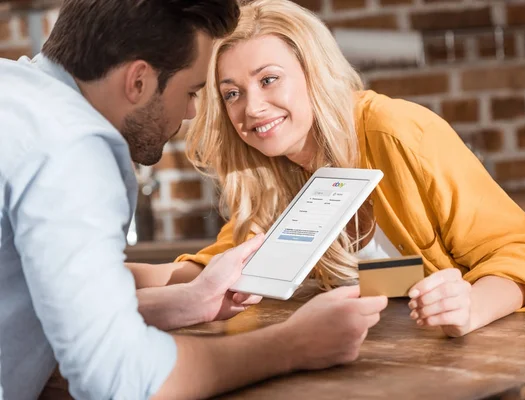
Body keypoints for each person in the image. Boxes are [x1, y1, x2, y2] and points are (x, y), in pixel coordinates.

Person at [129, 0, 525, 342]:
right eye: (231, 93)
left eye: (269, 79)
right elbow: (217, 268)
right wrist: (103, 278)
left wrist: (470, 306)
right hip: (456, 358)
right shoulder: (274, 177)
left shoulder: (394, 130)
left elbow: (516, 250)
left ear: (313, 74)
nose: (251, 107)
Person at [0, 0, 388, 399]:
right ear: (139, 81)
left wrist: (187, 301)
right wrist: (294, 343)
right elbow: (121, 380)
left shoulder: (14, 91)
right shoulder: (74, 148)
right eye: (191, 91)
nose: (189, 111)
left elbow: (58, 307)